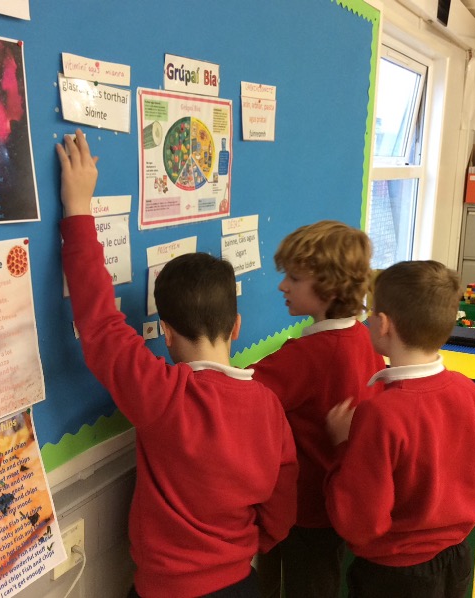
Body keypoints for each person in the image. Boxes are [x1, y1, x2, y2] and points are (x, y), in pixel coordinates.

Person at [56, 130, 298, 598]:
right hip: (240, 582)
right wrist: (251, 546)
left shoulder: (164, 395)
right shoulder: (269, 406)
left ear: (165, 333)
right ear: (237, 326)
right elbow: (281, 502)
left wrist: (78, 208)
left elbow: (100, 323)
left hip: (167, 589)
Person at [324, 260, 475, 598]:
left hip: (395, 575)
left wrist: (342, 445)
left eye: (370, 313)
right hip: (458, 558)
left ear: (384, 324)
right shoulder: (468, 391)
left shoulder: (380, 414)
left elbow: (359, 522)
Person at [251, 221, 386, 598]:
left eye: (294, 278)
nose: (283, 286)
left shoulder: (308, 355)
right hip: (337, 501)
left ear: (330, 288)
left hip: (304, 511)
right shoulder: (364, 338)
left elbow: (234, 395)